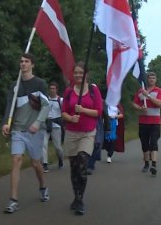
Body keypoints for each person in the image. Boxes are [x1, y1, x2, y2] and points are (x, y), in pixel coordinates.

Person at [1, 53, 50, 214]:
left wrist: (37, 123)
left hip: (35, 131)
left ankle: (43, 186)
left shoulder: (39, 84)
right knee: (16, 159)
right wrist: (6, 124)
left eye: (26, 61)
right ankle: (13, 200)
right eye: (21, 61)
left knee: (36, 163)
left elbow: (46, 106)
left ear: (32, 64)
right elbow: (10, 105)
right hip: (18, 130)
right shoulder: (15, 86)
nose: (22, 64)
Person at [62, 62, 102, 215]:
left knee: (82, 162)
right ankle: (75, 196)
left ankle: (80, 200)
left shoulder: (93, 90)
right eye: (76, 73)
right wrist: (71, 118)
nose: (78, 75)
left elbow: (98, 112)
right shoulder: (68, 92)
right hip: (72, 133)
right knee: (73, 169)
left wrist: (83, 110)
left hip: (88, 132)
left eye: (81, 73)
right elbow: (64, 112)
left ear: (87, 74)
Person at [133, 72, 161, 177]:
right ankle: (146, 163)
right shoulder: (140, 91)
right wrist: (139, 108)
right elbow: (134, 103)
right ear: (147, 79)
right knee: (144, 144)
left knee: (153, 143)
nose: (151, 79)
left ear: (155, 80)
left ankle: (154, 165)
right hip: (143, 121)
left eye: (153, 78)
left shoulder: (159, 91)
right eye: (150, 78)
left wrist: (148, 95)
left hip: (155, 122)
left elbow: (159, 103)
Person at [42, 82, 65, 172]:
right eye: (50, 88)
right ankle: (45, 164)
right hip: (46, 124)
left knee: (58, 147)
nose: (52, 90)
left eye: (54, 88)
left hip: (56, 125)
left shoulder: (61, 100)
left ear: (57, 89)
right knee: (43, 145)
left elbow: (64, 111)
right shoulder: (45, 100)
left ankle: (60, 159)